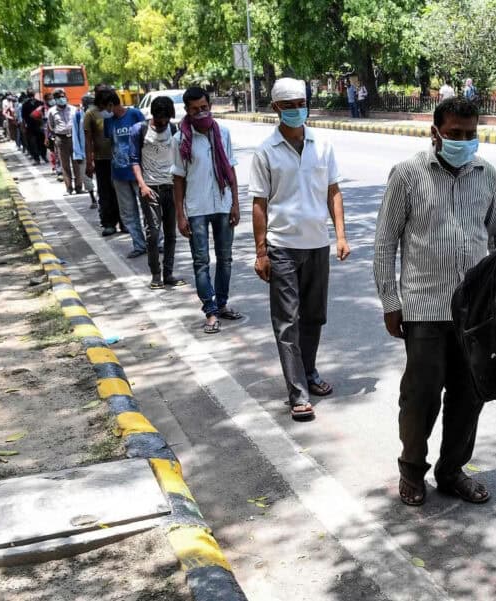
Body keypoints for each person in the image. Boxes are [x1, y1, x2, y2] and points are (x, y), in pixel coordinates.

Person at [373, 97, 496, 507]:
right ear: (435, 133)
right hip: (424, 307)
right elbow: (385, 244)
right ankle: (412, 469)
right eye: (455, 134)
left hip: (474, 313)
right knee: (421, 394)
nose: (464, 142)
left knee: (470, 396)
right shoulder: (407, 175)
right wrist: (390, 301)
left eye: (471, 135)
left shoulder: (487, 174)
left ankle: (451, 471)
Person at [251, 78, 351, 420]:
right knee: (287, 321)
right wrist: (261, 252)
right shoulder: (266, 152)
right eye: (289, 104)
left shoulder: (322, 145)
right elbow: (259, 203)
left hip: (317, 244)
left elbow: (333, 191)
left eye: (301, 103)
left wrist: (340, 235)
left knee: (314, 316)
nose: (297, 109)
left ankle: (308, 372)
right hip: (282, 246)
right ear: (276, 108)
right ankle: (297, 391)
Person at [173, 86, 241, 334]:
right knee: (201, 262)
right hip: (197, 208)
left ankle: (221, 304)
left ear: (210, 106)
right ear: (187, 111)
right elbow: (178, 179)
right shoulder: (180, 139)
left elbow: (231, 169)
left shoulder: (223, 133)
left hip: (222, 204)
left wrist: (235, 202)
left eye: (204, 107)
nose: (200, 113)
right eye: (195, 110)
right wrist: (180, 215)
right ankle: (210, 311)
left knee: (225, 258)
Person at [130, 95, 186, 290]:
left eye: (167, 119)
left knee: (171, 234)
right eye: (160, 119)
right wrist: (142, 185)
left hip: (171, 187)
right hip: (150, 189)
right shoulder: (140, 130)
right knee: (153, 233)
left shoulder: (173, 129)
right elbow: (134, 159)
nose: (164, 123)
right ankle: (156, 274)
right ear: (153, 115)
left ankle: (168, 273)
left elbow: (180, 159)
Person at [97, 88, 148, 257]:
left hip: (138, 172)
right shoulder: (109, 122)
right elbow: (112, 143)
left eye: (104, 108)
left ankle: (156, 242)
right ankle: (139, 244)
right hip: (118, 173)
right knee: (128, 212)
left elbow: (146, 139)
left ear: (111, 104)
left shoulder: (134, 115)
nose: (103, 112)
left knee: (148, 209)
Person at [85, 85, 124, 236]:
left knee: (121, 192)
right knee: (105, 192)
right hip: (102, 159)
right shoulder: (91, 114)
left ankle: (124, 221)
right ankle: (108, 222)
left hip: (119, 158)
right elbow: (88, 140)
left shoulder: (115, 111)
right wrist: (90, 161)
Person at [46, 90, 83, 195]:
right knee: (65, 165)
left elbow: (78, 123)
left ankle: (79, 186)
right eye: (59, 97)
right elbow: (51, 126)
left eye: (63, 96)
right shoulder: (52, 111)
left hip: (74, 138)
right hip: (61, 139)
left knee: (76, 162)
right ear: (56, 99)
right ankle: (69, 188)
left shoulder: (73, 109)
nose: (62, 99)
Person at [73, 94, 98, 208]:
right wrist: (77, 153)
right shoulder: (78, 116)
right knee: (87, 178)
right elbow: (75, 135)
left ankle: (101, 197)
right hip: (83, 152)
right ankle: (93, 199)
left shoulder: (99, 114)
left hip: (99, 152)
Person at [21, 92, 47, 165]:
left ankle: (43, 156)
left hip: (39, 126)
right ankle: (37, 158)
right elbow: (23, 117)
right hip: (30, 126)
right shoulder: (25, 104)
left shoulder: (40, 103)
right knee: (33, 143)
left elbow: (44, 115)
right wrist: (24, 127)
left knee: (41, 142)